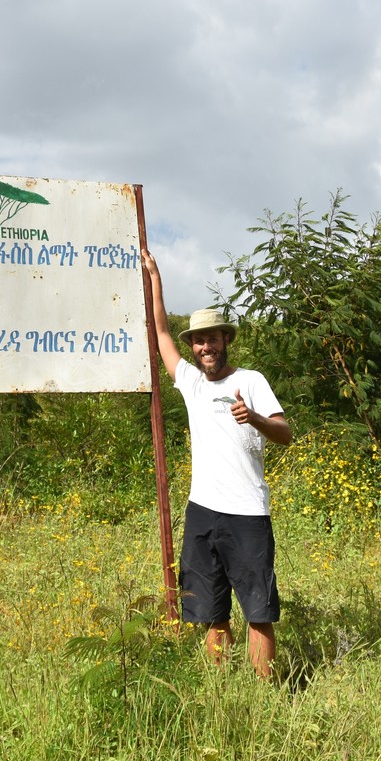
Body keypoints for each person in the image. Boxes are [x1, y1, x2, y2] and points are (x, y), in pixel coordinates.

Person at [143, 249, 292, 677]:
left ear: (227, 340)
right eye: (199, 340)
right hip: (202, 511)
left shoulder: (251, 381)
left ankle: (264, 696)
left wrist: (256, 418)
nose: (205, 346)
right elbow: (161, 337)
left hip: (247, 513)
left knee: (258, 610)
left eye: (213, 338)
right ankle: (221, 693)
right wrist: (156, 280)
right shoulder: (190, 382)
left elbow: (284, 434)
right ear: (193, 347)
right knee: (211, 611)